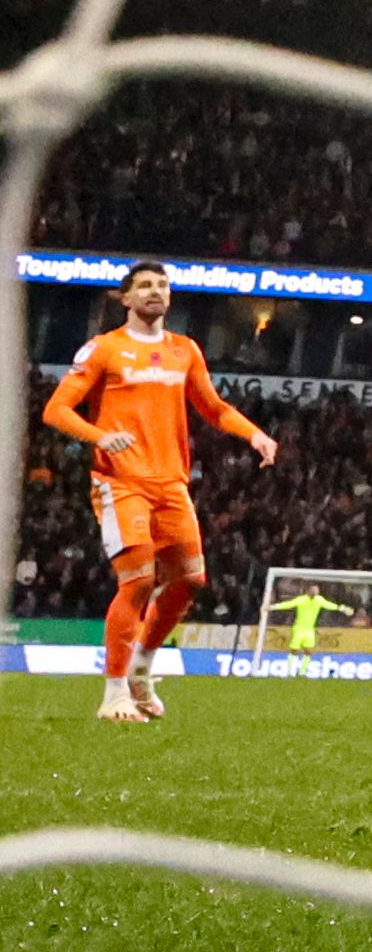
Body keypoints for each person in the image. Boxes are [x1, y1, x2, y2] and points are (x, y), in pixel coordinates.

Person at [37, 261, 280, 725]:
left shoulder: (184, 350)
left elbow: (213, 408)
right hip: (120, 481)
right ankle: (112, 695)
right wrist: (100, 436)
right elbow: (56, 410)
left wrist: (254, 435)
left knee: (191, 581)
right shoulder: (104, 349)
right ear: (125, 299)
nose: (156, 291)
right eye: (144, 285)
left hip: (171, 482)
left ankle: (141, 670)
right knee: (139, 581)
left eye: (162, 285)